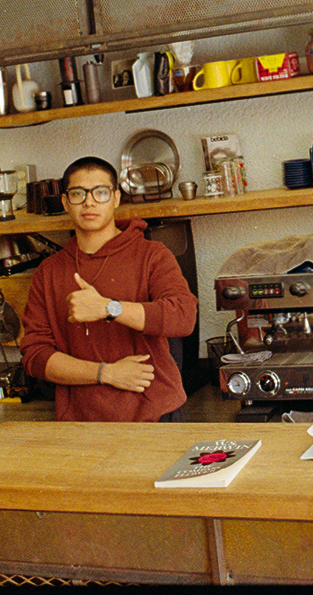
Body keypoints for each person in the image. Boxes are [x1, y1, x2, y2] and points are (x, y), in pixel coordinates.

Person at [19, 156, 197, 421]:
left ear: (115, 198)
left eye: (100, 192)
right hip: (83, 423)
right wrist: (106, 373)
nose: (89, 202)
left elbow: (183, 317)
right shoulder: (49, 272)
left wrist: (108, 308)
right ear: (66, 202)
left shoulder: (152, 255)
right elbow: (35, 355)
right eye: (78, 193)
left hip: (156, 417)